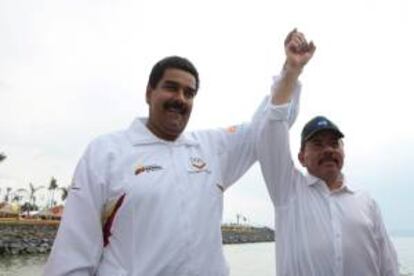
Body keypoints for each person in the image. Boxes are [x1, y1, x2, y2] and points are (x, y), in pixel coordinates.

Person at [43, 29, 313, 276]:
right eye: (171, 87)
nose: (180, 99)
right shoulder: (106, 152)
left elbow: (268, 130)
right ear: (149, 92)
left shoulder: (212, 147)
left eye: (189, 93)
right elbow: (72, 255)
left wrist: (290, 71)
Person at [257, 33, 399, 275]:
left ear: (343, 151)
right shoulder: (288, 192)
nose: (329, 150)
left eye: (334, 143)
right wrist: (292, 71)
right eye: (318, 144)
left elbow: (388, 265)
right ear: (301, 157)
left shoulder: (367, 203)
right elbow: (271, 129)